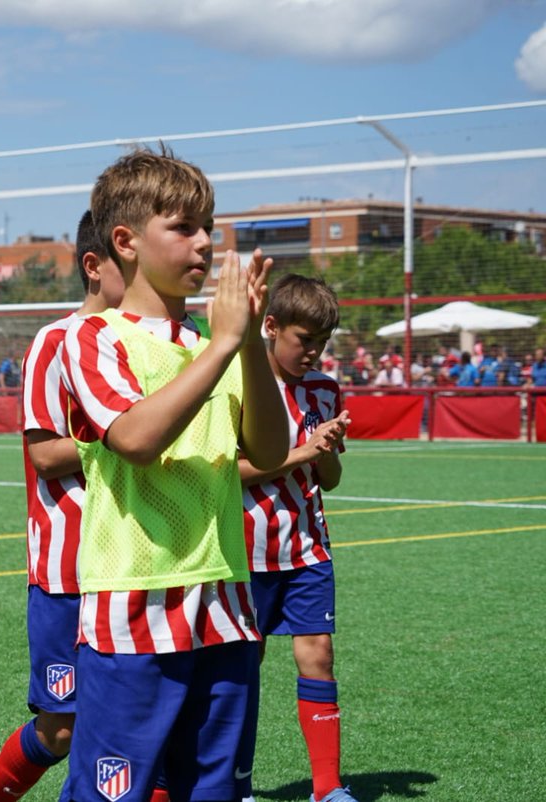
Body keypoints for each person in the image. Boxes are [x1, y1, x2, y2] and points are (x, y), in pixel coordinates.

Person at [59, 147, 287, 802]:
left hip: (225, 603)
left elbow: (269, 451)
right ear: (126, 242)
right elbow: (133, 437)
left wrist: (245, 344)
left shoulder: (213, 343)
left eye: (208, 228)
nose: (205, 244)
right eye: (184, 227)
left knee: (211, 791)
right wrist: (221, 345)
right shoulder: (95, 337)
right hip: (134, 606)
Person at [0, 211, 134, 802]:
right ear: (94, 266)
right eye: (126, 266)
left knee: (134, 723)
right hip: (67, 568)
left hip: (135, 563)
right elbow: (45, 455)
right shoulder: (54, 343)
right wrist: (123, 437)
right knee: (63, 726)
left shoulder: (143, 341)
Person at [239, 274, 356, 802]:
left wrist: (325, 449)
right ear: (270, 326)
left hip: (308, 550)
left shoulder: (325, 391)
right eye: (304, 339)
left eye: (322, 343)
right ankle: (233, 783)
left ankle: (326, 788)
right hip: (244, 553)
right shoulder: (236, 385)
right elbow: (225, 472)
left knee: (318, 655)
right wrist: (301, 453)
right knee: (242, 670)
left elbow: (328, 479)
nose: (313, 352)